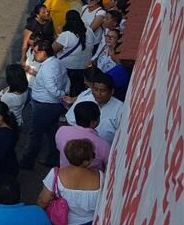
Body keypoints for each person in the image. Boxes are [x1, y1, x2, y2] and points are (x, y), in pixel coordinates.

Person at [19, 41, 69, 170]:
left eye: (36, 52)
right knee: (52, 132)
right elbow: (65, 79)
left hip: (44, 106)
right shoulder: (55, 62)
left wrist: (62, 94)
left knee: (35, 134)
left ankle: (28, 160)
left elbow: (52, 89)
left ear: (44, 53)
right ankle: (53, 157)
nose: (34, 54)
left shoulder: (47, 68)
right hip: (52, 105)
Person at [64, 72, 124, 144]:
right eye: (95, 89)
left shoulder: (120, 108)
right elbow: (70, 121)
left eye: (102, 91)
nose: (98, 94)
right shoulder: (85, 99)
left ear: (112, 91)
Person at [56, 101, 110, 171]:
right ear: (93, 122)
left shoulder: (61, 131)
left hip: (64, 175)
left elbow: (59, 148)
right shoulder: (103, 145)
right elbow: (108, 166)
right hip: (90, 179)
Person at [54, 10, 96, 96]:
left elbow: (52, 49)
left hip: (67, 69)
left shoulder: (66, 35)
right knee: (78, 93)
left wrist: (58, 34)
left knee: (66, 92)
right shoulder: (89, 31)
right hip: (84, 69)